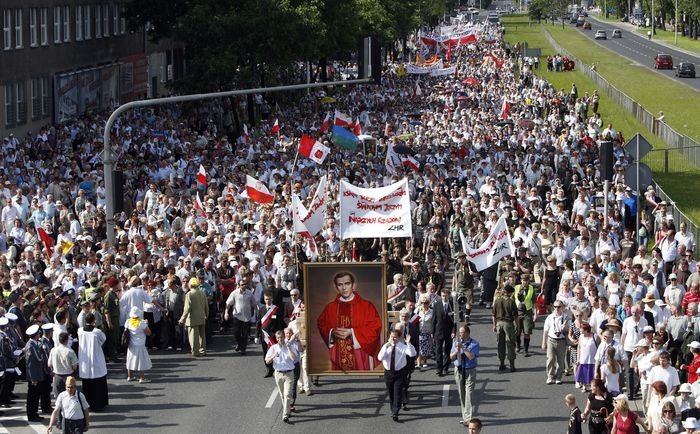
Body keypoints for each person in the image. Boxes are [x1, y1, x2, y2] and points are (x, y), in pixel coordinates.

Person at [316, 271, 382, 371]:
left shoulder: (366, 306)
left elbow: (375, 326)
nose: (344, 288)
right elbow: (321, 323)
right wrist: (332, 332)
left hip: (359, 352)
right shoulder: (331, 307)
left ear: (353, 285)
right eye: (340, 285)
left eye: (347, 284)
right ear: (336, 287)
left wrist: (352, 332)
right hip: (338, 352)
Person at [377, 328, 416, 422]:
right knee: (391, 393)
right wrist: (386, 346)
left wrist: (409, 343)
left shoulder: (402, 347)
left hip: (399, 373)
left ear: (399, 338)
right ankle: (393, 408)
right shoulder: (386, 346)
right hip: (388, 373)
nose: (392, 339)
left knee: (398, 392)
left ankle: (395, 412)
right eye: (391, 337)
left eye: (395, 337)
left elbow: (412, 354)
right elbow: (380, 358)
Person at [264, 329, 299, 424]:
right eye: (278, 338)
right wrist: (273, 356)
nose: (280, 339)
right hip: (278, 374)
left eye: (282, 337)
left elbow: (294, 359)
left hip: (289, 374)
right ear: (276, 339)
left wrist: (288, 348)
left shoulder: (290, 346)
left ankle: (285, 415)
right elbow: (267, 361)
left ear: (284, 338)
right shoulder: (273, 348)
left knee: (287, 394)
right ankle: (287, 410)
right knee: (282, 395)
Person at [77, 313, 108, 411]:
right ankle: (98, 404)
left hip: (85, 360)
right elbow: (103, 340)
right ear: (94, 321)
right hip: (96, 359)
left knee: (87, 384)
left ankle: (87, 404)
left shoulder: (80, 330)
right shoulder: (97, 332)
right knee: (97, 383)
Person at [450, 325, 480, 426]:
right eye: (459, 332)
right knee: (462, 394)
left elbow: (471, 357)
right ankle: (465, 417)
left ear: (467, 333)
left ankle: (468, 419)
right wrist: (456, 351)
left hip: (469, 370)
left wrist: (463, 348)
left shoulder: (474, 344)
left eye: (462, 332)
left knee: (469, 394)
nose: (460, 335)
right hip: (458, 370)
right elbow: (451, 357)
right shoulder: (456, 343)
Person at [24, 324, 51, 421]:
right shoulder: (31, 346)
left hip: (38, 375)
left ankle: (34, 413)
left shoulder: (35, 344)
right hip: (34, 377)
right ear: (36, 335)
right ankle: (31, 415)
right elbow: (30, 364)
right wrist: (33, 378)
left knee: (36, 396)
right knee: (32, 397)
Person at [225, 280, 257, 356]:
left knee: (245, 334)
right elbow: (228, 303)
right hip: (237, 316)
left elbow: (254, 304)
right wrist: (226, 313)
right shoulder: (234, 293)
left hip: (247, 316)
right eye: (242, 285)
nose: (244, 286)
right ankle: (239, 344)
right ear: (239, 285)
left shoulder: (249, 293)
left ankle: (243, 349)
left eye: (245, 284)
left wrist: (257, 313)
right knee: (236, 333)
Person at [179, 277, 209, 357]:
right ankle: (203, 350)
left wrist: (182, 319)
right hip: (202, 317)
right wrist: (206, 314)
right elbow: (206, 306)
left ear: (190, 284)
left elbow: (187, 308)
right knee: (202, 336)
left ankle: (195, 351)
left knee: (193, 336)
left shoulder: (189, 294)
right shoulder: (202, 293)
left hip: (192, 318)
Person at [542, 300, 570, 384]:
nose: (557, 308)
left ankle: (558, 377)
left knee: (560, 361)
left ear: (562, 307)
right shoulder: (550, 317)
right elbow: (545, 331)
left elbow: (570, 331)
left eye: (559, 307)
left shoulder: (566, 318)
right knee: (550, 359)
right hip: (551, 340)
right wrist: (544, 343)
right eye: (555, 307)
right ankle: (550, 376)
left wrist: (565, 328)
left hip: (561, 341)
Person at [492, 285, 518, 372]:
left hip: (499, 323)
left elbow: (493, 315)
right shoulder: (511, 302)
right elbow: (515, 316)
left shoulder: (497, 300)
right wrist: (517, 325)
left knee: (500, 344)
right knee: (510, 344)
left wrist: (494, 325)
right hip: (508, 324)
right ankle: (512, 365)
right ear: (510, 293)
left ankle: (501, 363)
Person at [125, 306, 152, 383]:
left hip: (131, 344)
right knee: (141, 360)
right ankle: (142, 378)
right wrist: (147, 324)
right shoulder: (142, 323)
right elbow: (149, 333)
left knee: (130, 359)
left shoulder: (128, 321)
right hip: (140, 344)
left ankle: (130, 376)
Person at [432, 288, 456, 376]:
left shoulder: (453, 305)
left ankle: (445, 367)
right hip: (438, 331)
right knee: (438, 351)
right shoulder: (437, 305)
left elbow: (455, 321)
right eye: (442, 296)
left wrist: (454, 331)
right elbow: (433, 319)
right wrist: (432, 331)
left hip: (449, 332)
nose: (444, 297)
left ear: (449, 296)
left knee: (447, 350)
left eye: (446, 296)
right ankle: (439, 368)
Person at [48, 332, 78, 400]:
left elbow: (49, 364)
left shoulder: (53, 350)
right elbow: (74, 366)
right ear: (67, 340)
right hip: (68, 376)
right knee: (70, 397)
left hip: (57, 376)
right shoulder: (70, 351)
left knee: (59, 398)